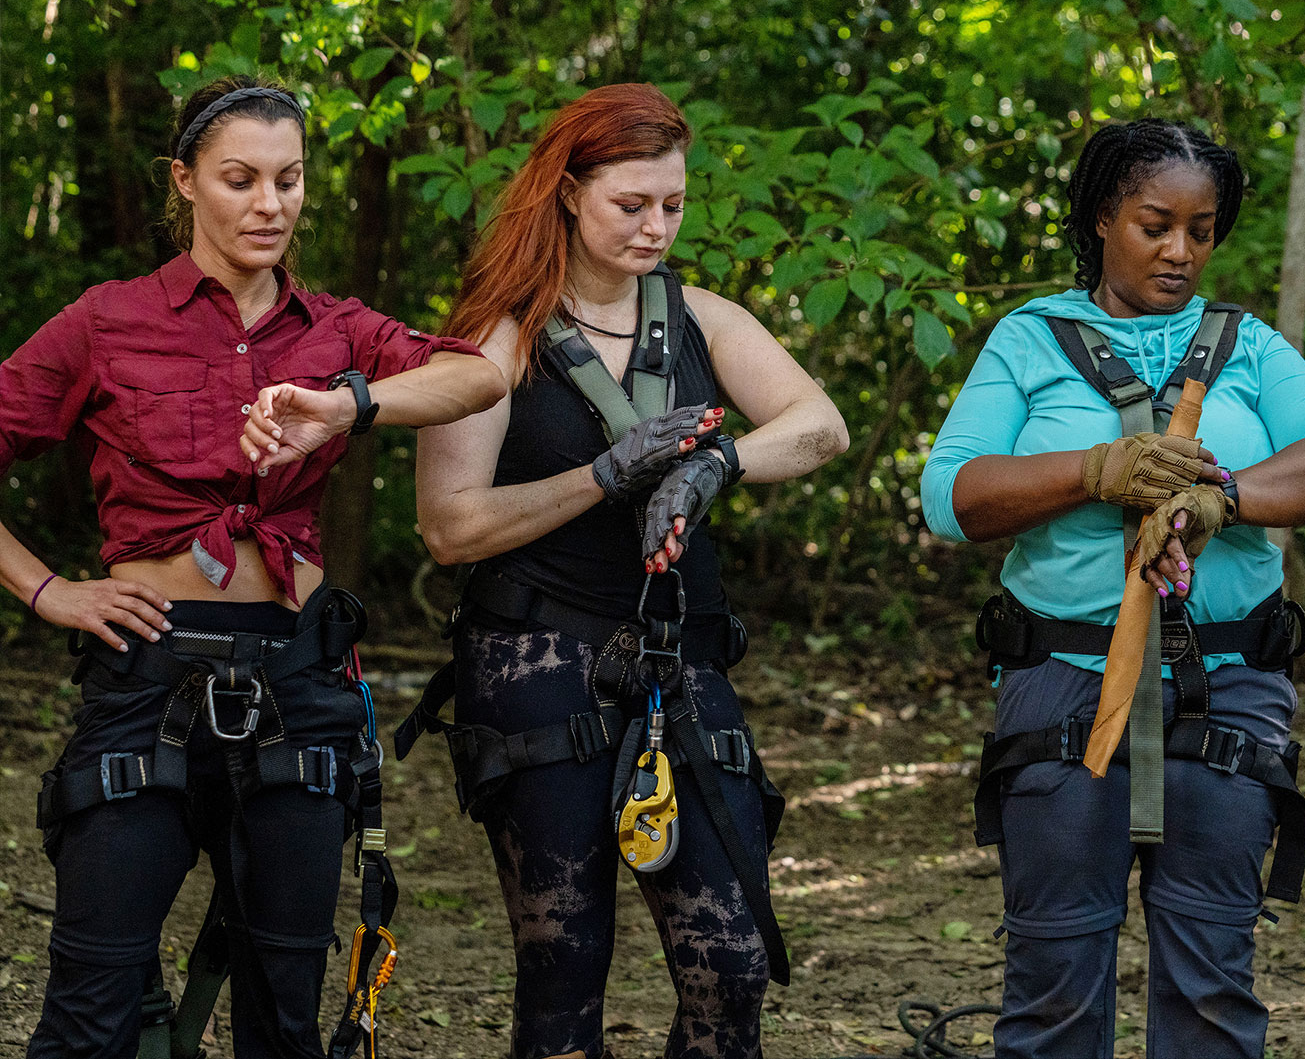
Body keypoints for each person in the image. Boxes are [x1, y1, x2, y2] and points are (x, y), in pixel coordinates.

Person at [0, 75, 505, 1059]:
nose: (269, 204)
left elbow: (478, 374)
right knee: (92, 1003)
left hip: (298, 685)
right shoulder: (106, 319)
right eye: (240, 179)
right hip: (144, 677)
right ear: (185, 180)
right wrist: (48, 589)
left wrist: (345, 404)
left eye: (289, 179)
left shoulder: (338, 328)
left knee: (284, 1006)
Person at [406, 83, 848, 1059]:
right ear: (568, 192)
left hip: (675, 659)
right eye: (631, 204)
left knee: (728, 963)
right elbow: (449, 524)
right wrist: (603, 475)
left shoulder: (697, 316)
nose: (657, 226)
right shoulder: (496, 336)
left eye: (673, 204)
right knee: (564, 969)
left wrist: (716, 461)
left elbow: (819, 424)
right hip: (533, 655)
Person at [920, 118, 1305, 1059]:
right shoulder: (1032, 338)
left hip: (1228, 690)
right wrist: (1092, 471)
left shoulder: (1242, 344)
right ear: (1098, 218)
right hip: (1066, 684)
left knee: (1213, 979)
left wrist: (1224, 499)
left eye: (1200, 230)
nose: (1179, 250)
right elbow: (951, 495)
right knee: (1052, 980)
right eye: (1153, 224)